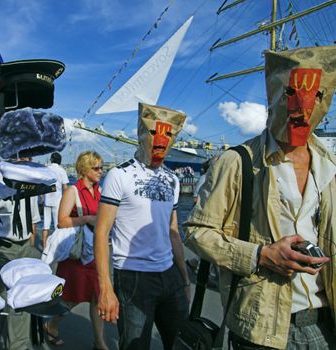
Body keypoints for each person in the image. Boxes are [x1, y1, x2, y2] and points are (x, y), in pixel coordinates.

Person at [184, 46, 336, 350]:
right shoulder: (237, 162)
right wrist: (260, 255)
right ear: (274, 96)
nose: (302, 108)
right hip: (261, 328)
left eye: (316, 96)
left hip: (325, 324)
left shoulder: (330, 166)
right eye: (291, 93)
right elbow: (195, 231)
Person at [95, 103, 190, 350]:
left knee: (182, 343)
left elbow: (173, 231)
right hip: (133, 276)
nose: (161, 140)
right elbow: (102, 231)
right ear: (141, 133)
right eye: (154, 133)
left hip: (170, 274)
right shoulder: (119, 175)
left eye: (169, 134)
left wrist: (184, 277)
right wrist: (106, 288)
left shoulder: (173, 179)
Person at [44, 151, 108, 349]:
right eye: (96, 168)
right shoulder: (73, 191)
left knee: (98, 297)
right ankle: (51, 324)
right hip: (76, 254)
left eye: (101, 167)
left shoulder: (99, 190)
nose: (100, 171)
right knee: (70, 298)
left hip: (94, 251)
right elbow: (62, 222)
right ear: (84, 169)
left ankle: (99, 342)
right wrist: (87, 219)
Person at [0, 159, 41, 350]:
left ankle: (18, 346)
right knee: (1, 298)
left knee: (22, 298)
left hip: (24, 245)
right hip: (1, 247)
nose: (28, 159)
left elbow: (33, 220)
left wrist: (31, 247)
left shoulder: (32, 181)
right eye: (23, 154)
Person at [41, 152, 69, 250]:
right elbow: (65, 187)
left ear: (51, 160)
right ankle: (56, 247)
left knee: (45, 226)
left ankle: (44, 247)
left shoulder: (46, 169)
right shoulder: (62, 171)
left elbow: (41, 185)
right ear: (60, 161)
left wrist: (41, 198)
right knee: (58, 225)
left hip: (47, 200)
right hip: (57, 201)